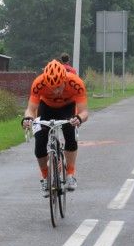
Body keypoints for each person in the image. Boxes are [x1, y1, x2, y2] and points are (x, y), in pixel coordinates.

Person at [21, 60, 89, 194]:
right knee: (40, 142)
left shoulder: (76, 83)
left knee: (70, 133)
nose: (56, 91)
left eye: (59, 86)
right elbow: (30, 109)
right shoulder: (38, 83)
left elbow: (84, 112)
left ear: (65, 79)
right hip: (45, 108)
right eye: (52, 87)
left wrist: (79, 118)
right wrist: (28, 119)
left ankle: (70, 175)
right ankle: (45, 177)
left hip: (67, 107)